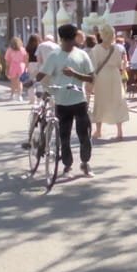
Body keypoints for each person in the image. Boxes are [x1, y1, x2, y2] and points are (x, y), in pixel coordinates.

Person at [39, 23, 96, 176]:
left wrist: (75, 74)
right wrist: (32, 82)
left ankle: (85, 163)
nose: (71, 43)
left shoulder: (82, 55)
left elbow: (92, 77)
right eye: (68, 40)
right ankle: (67, 165)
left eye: (73, 40)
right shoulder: (54, 56)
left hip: (79, 100)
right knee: (64, 137)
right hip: (61, 102)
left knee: (84, 134)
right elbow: (42, 73)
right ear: (62, 39)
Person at [91, 31, 131, 141]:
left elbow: (94, 65)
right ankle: (120, 131)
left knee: (100, 101)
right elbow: (120, 64)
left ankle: (98, 130)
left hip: (102, 76)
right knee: (117, 100)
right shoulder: (117, 48)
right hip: (114, 75)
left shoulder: (96, 49)